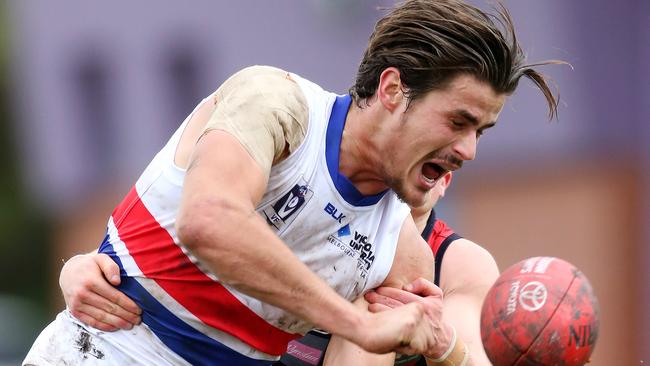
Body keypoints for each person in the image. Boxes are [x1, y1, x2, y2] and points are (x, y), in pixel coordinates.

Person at [24, 0, 561, 364]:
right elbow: (208, 220)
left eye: (481, 132)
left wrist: (443, 350)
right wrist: (355, 321)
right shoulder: (276, 102)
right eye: (458, 122)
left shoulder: (403, 255)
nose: (469, 151)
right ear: (394, 89)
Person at [59, 172, 500, 366]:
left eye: (431, 167)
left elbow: (472, 358)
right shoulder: (311, 219)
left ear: (446, 180)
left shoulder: (459, 264)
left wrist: (438, 342)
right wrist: (82, 269)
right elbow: (192, 243)